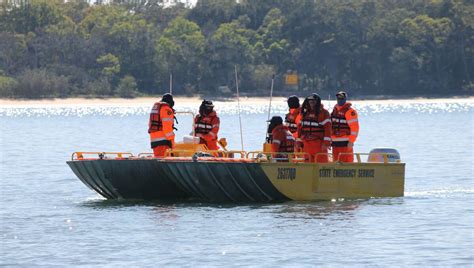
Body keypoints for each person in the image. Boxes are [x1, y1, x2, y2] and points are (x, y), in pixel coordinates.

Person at [296, 94, 332, 163]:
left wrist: (326, 143)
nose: (311, 102)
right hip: (306, 144)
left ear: (317, 101)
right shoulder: (304, 113)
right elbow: (300, 129)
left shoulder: (324, 113)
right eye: (310, 101)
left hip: (319, 145)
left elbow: (328, 129)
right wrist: (299, 141)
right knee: (307, 166)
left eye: (313, 101)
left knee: (321, 165)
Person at [331, 91, 359, 162]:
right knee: (335, 163)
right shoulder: (334, 111)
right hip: (335, 143)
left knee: (347, 163)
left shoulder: (350, 111)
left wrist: (351, 141)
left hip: (346, 143)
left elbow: (355, 128)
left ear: (345, 99)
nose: (340, 99)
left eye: (342, 98)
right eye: (338, 97)